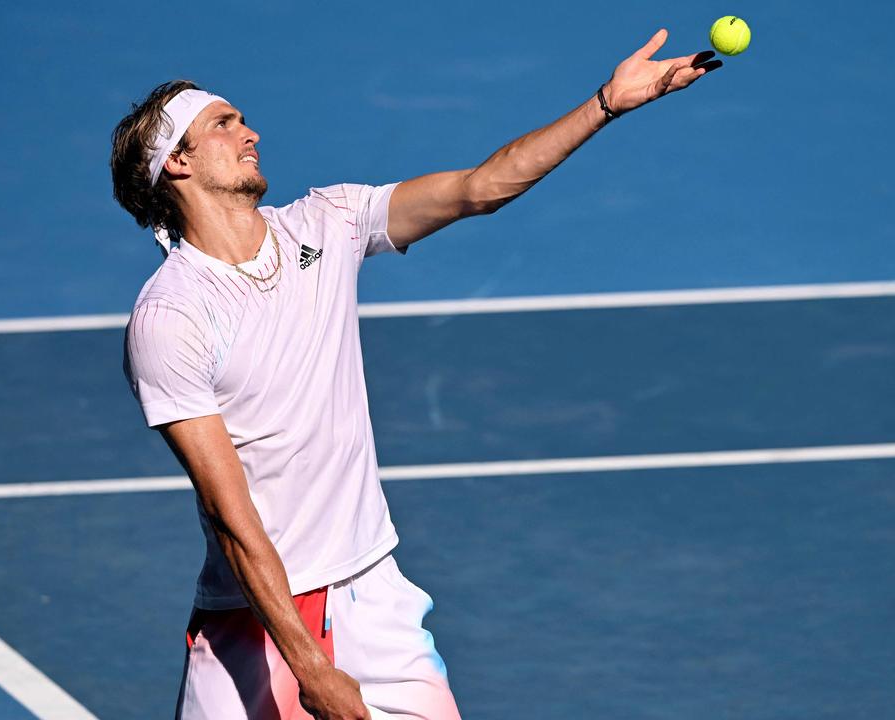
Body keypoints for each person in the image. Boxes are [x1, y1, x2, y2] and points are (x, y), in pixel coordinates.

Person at [111, 28, 719, 720]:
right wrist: (310, 663)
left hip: (374, 594)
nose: (250, 132)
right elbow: (230, 514)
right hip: (258, 625)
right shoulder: (173, 318)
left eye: (243, 118)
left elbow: (479, 188)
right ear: (178, 163)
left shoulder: (326, 223)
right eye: (224, 124)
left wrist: (605, 104)